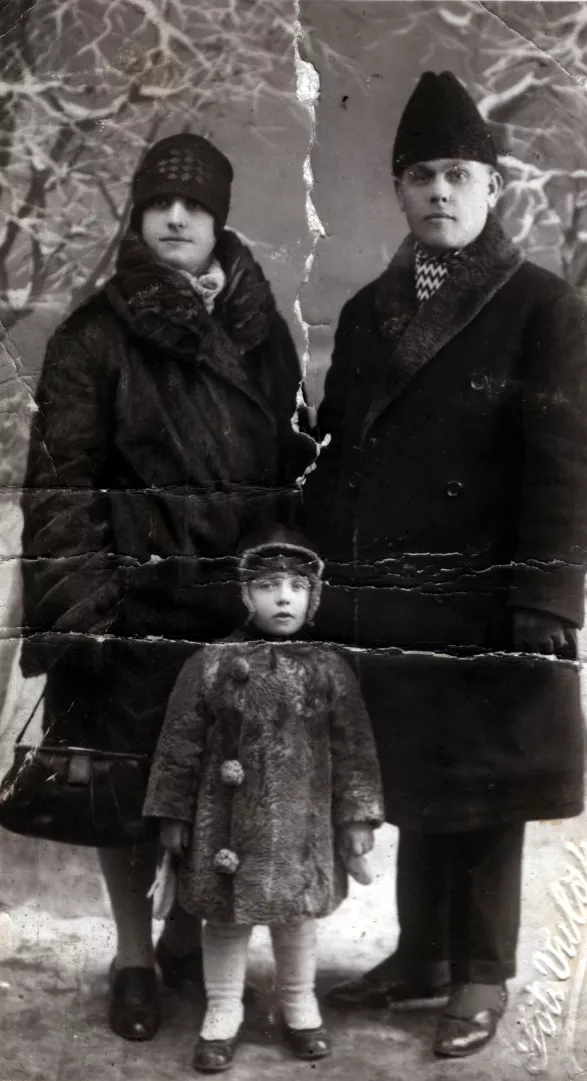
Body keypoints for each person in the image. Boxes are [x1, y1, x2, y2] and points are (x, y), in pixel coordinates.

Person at [303, 71, 587, 1057]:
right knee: (415, 780)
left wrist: (545, 594)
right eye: (422, 175)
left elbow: (571, 464)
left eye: (460, 175)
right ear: (400, 189)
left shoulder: (541, 308)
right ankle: (422, 958)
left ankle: (480, 975)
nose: (441, 192)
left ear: (492, 188)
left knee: (487, 793)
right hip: (392, 598)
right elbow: (344, 456)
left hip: (494, 600)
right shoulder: (365, 314)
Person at [20, 133, 315, 1041]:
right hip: (129, 609)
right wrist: (81, 611)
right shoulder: (94, 335)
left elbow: (288, 469)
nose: (176, 217)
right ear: (139, 218)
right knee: (125, 796)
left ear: (219, 219)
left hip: (230, 610)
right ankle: (134, 954)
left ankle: (191, 935)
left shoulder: (264, 338)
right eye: (159, 204)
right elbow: (61, 482)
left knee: (217, 787)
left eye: (193, 205)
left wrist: (277, 585)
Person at [143, 526, 384, 1073]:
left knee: (297, 916)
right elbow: (179, 745)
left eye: (297, 587)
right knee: (226, 919)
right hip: (226, 827)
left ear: (312, 598)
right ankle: (223, 1008)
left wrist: (355, 816)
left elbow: (355, 749)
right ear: (246, 596)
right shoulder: (208, 665)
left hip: (302, 830)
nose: (283, 597)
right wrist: (172, 815)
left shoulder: (328, 669)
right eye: (269, 585)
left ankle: (299, 1003)